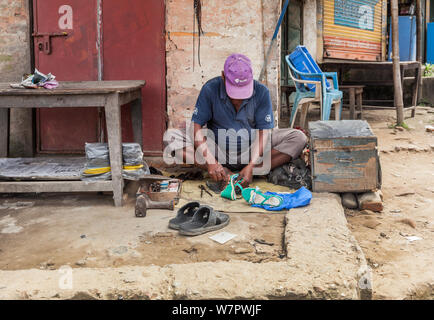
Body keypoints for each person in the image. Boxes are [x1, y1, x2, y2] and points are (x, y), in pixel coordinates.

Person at [165, 53, 307, 188]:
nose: (238, 98)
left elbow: (264, 133)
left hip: (253, 151)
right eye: (234, 91)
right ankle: (222, 171)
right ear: (223, 76)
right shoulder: (210, 89)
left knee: (298, 138)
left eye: (243, 91)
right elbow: (196, 127)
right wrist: (210, 161)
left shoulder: (262, 92)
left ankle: (249, 171)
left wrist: (251, 165)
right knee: (171, 138)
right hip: (219, 151)